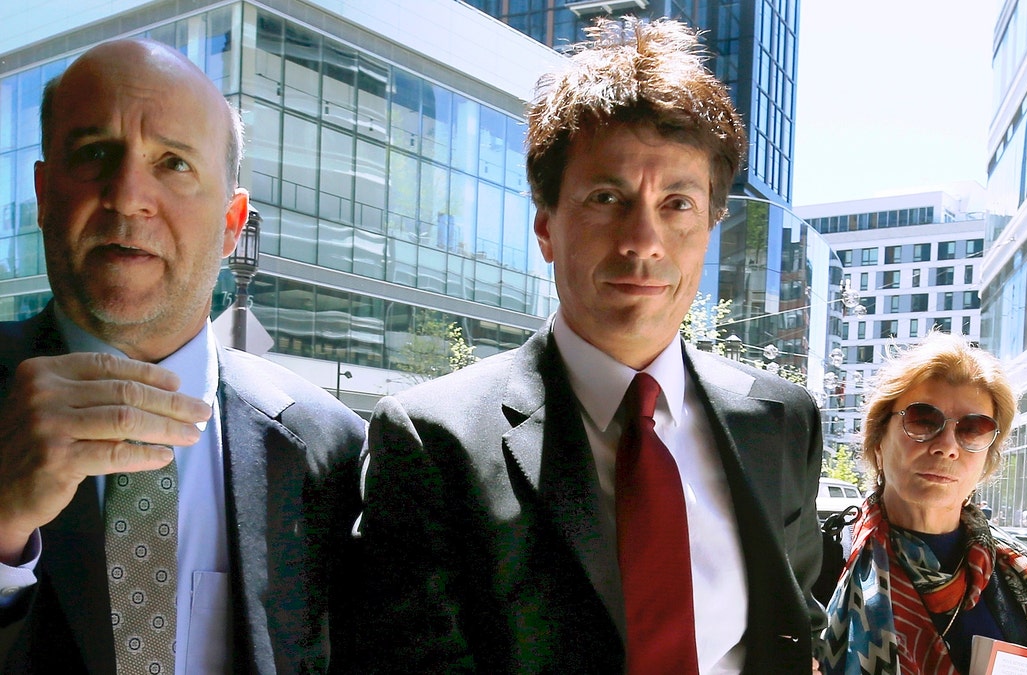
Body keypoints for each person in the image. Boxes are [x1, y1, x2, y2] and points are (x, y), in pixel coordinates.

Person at [353, 16, 825, 674]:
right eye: (608, 197)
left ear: (712, 225)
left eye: (678, 204)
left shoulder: (783, 421)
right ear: (546, 226)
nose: (643, 240)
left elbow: (792, 631)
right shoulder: (432, 441)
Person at [0, 39, 365, 673]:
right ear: (42, 192)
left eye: (172, 164)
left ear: (231, 224)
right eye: (94, 154)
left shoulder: (333, 451)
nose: (127, 196)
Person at [818, 333, 1027, 675]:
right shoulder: (820, 564)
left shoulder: (1019, 578)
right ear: (878, 440)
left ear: (987, 458)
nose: (947, 446)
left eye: (973, 429)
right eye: (923, 421)